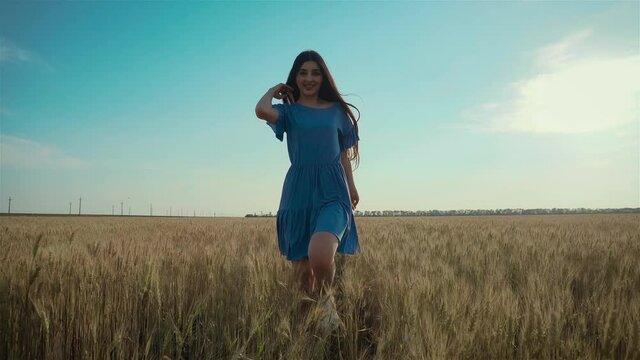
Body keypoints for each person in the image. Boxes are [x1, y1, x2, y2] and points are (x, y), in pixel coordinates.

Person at [255, 50, 361, 331]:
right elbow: (261, 110)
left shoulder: (337, 111)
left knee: (320, 254)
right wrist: (273, 90)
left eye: (315, 72)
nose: (309, 78)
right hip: (298, 192)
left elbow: (343, 154)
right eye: (303, 73)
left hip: (332, 191)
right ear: (295, 77)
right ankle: (309, 336)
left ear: (324, 76)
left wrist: (351, 186)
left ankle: (328, 304)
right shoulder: (288, 112)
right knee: (302, 278)